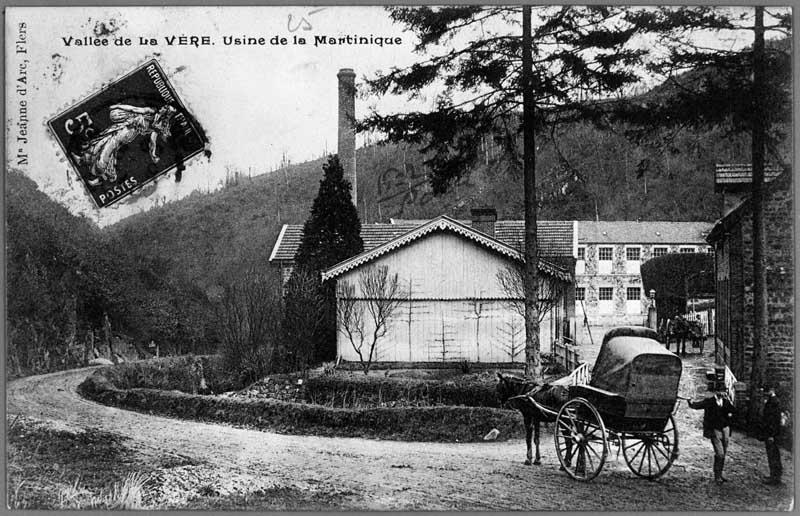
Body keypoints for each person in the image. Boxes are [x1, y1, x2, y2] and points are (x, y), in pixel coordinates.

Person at [688, 375, 736, 483]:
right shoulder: (710, 401)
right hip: (715, 430)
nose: (723, 394)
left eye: (724, 392)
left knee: (724, 452)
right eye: (720, 392)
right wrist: (690, 402)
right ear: (716, 392)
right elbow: (697, 405)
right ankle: (717, 476)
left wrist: (730, 417)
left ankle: (720, 473)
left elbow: (734, 411)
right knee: (720, 453)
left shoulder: (726, 402)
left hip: (725, 429)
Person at [761, 384, 783, 486]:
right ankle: (773, 475)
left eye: (767, 391)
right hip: (771, 433)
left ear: (772, 390)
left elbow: (774, 421)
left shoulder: (774, 402)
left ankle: (775, 478)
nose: (766, 393)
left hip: (772, 434)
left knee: (773, 455)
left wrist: (771, 435)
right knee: (772, 455)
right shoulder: (772, 401)